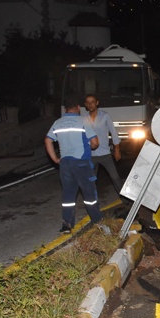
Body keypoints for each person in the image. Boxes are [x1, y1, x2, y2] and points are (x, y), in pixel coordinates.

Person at [45, 96, 103, 234]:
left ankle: (66, 225)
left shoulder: (57, 123)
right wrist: (91, 146)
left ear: (65, 109)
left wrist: (55, 159)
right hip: (81, 163)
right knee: (89, 194)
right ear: (78, 108)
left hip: (65, 164)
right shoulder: (83, 121)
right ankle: (98, 222)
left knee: (68, 195)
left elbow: (48, 140)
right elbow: (95, 142)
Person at [82, 94, 128, 205]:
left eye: (92, 101)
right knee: (91, 180)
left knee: (115, 177)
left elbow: (113, 132)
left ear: (97, 103)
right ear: (85, 105)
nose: (90, 104)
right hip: (90, 155)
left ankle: (126, 201)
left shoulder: (105, 116)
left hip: (105, 154)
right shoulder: (83, 119)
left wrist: (117, 149)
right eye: (88, 102)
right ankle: (93, 203)